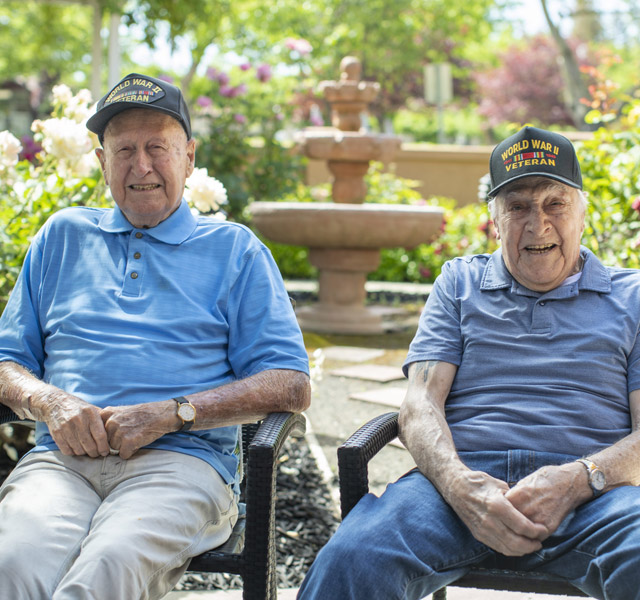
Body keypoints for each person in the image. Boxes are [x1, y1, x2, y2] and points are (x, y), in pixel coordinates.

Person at [0, 72, 310, 600]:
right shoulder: (61, 236)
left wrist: (173, 413)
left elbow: (290, 385)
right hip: (61, 464)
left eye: (156, 148)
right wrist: (48, 401)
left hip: (181, 465)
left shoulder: (235, 250)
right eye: (123, 150)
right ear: (102, 162)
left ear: (188, 157)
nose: (140, 166)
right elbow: (7, 360)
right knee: (10, 566)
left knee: (108, 569)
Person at [298, 126, 640, 600]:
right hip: (458, 488)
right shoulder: (459, 284)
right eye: (518, 207)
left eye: (555, 204)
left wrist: (579, 479)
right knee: (353, 558)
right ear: (495, 221)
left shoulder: (633, 297)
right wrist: (460, 487)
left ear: (582, 212)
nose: (537, 224)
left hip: (595, 496)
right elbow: (419, 404)